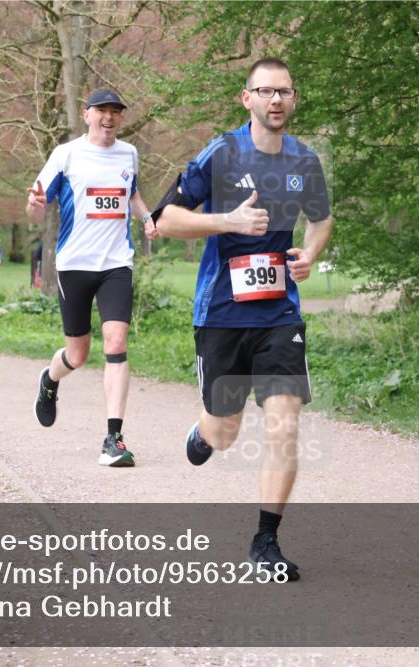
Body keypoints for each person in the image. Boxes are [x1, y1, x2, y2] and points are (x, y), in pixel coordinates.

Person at [150, 58, 333, 579]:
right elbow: (165, 220)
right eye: (265, 91)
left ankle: (265, 542)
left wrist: (310, 254)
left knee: (284, 423)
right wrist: (226, 221)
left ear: (294, 100)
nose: (275, 100)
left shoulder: (306, 161)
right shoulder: (222, 154)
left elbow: (321, 219)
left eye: (284, 92)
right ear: (246, 98)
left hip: (279, 313)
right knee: (226, 431)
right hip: (223, 314)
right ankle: (205, 432)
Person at [26, 88, 153, 467]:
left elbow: (131, 194)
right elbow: (36, 209)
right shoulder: (65, 154)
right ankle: (50, 379)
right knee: (78, 354)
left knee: (116, 339)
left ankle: (113, 438)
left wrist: (147, 219)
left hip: (116, 263)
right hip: (75, 264)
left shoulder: (129, 153)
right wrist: (33, 206)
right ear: (86, 115)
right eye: (102, 111)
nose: (109, 118)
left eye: (116, 111)